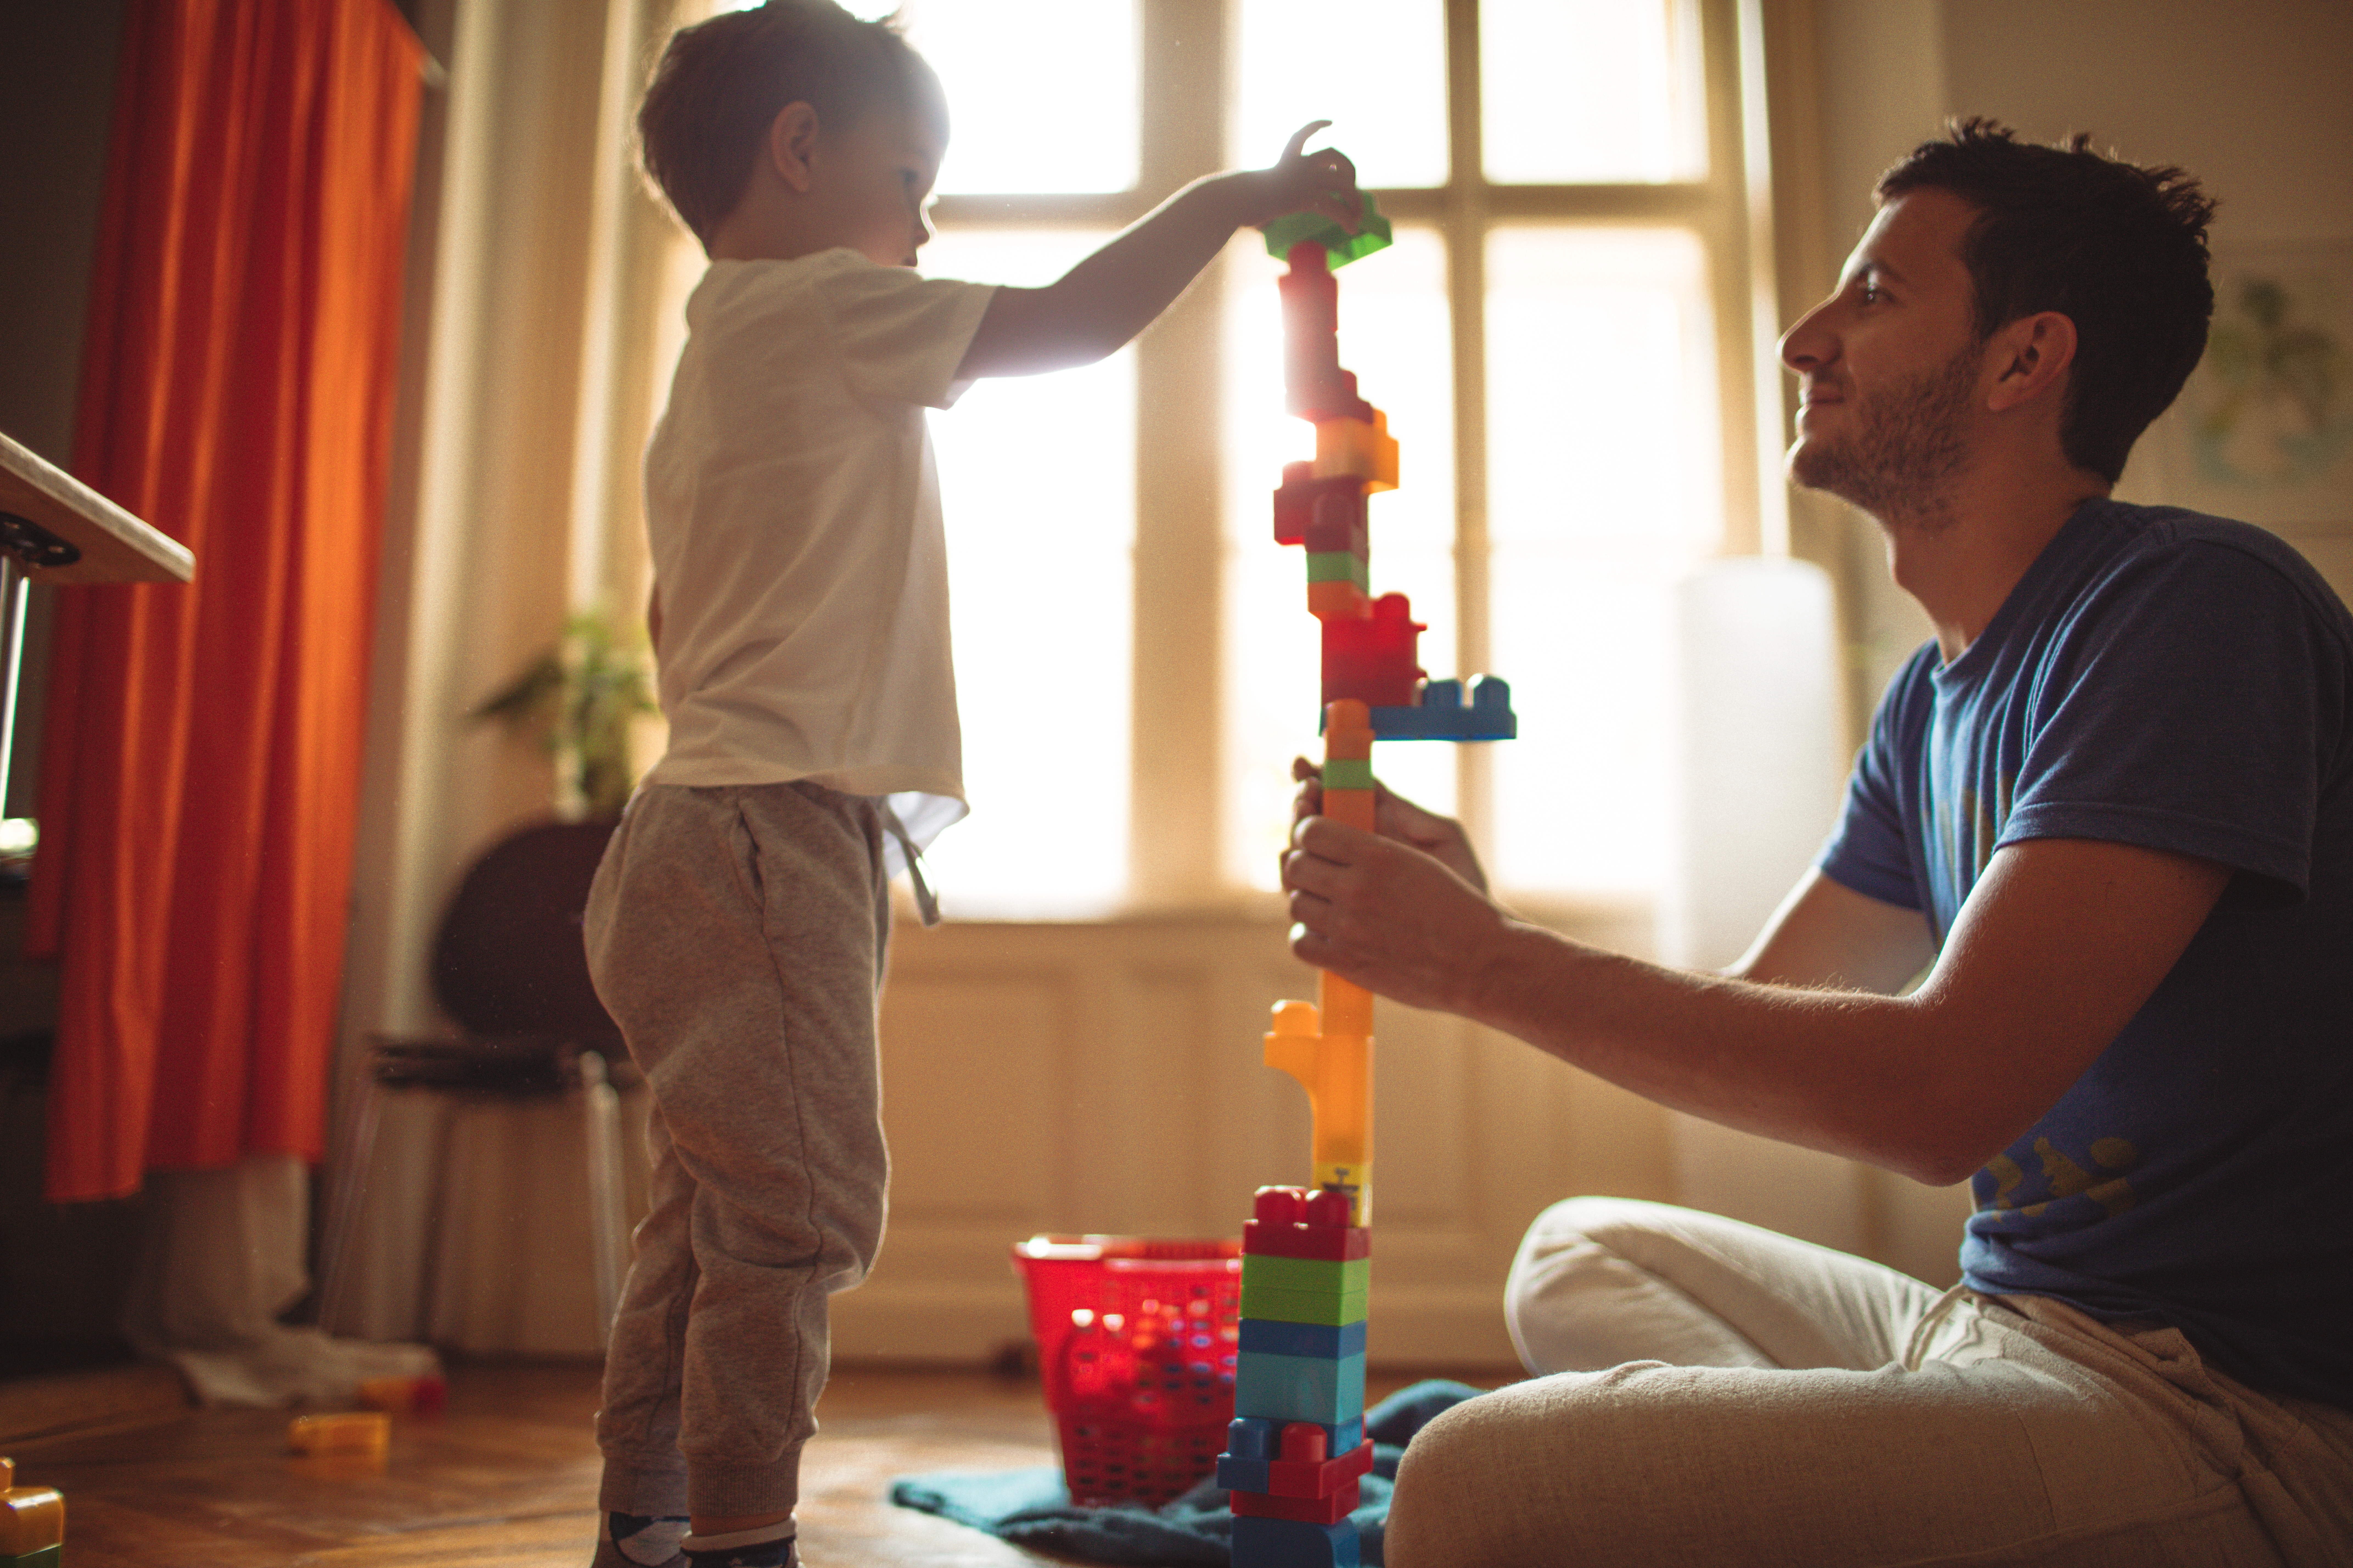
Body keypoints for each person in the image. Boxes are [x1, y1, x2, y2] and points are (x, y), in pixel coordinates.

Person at [1283, 120, 2353, 1565]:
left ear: (2022, 361)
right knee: (1579, 1251)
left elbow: (1936, 1098)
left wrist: (1485, 968)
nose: (1804, 339)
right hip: (1992, 1335)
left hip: (2227, 1414)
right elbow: (1777, 1020)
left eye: (1872, 294)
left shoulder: (2190, 610)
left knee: (1470, 1481)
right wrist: (1484, 920)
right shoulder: (1928, 702)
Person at [582, 7, 1363, 1567]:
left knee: (710, 1220)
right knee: (800, 1222)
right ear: (798, 151)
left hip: (693, 832)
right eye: (910, 174)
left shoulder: (718, 354)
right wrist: (1226, 202)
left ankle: (652, 1522)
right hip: (764, 837)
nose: (922, 218)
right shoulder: (816, 305)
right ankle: (739, 1541)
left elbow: (681, 621)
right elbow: (1070, 325)